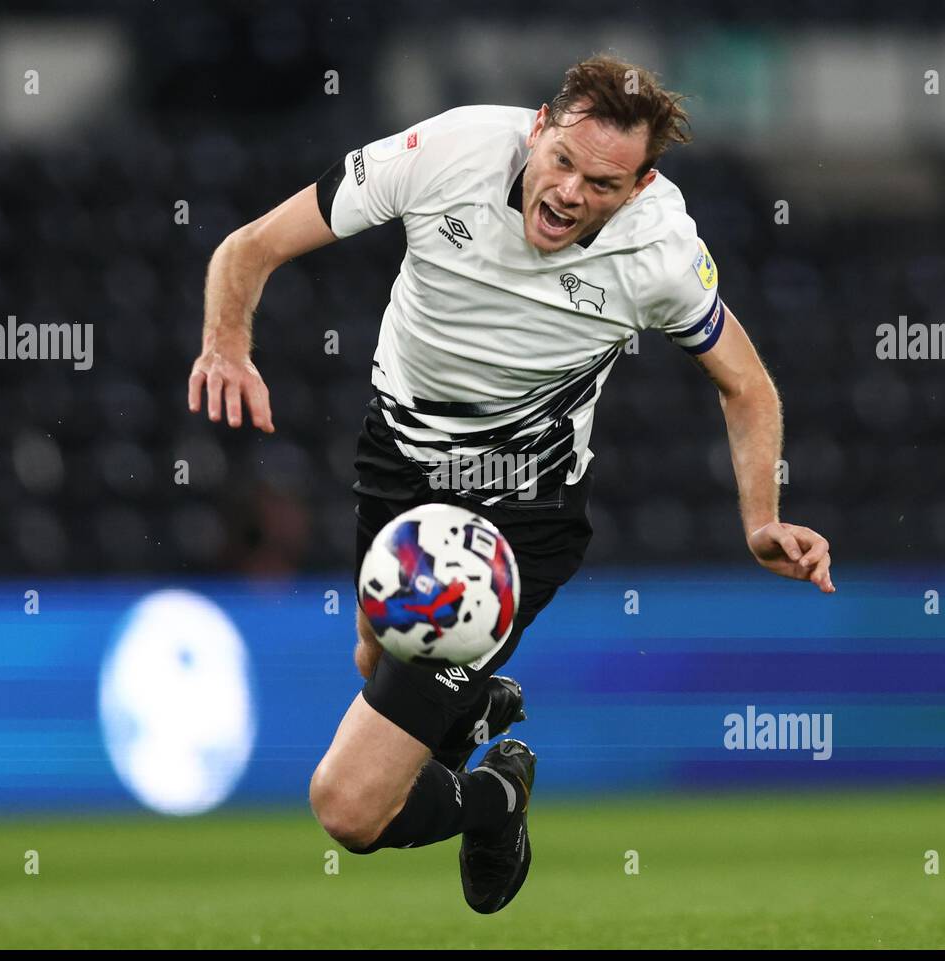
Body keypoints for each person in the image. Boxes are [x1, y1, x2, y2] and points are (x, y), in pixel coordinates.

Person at [188, 54, 835, 915]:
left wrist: (763, 519)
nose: (570, 193)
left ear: (641, 185)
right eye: (562, 161)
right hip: (400, 467)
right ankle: (492, 770)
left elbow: (746, 385)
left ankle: (488, 781)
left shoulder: (663, 255)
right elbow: (250, 247)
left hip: (519, 510)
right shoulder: (446, 152)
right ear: (537, 127)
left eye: (602, 182)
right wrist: (227, 345)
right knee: (373, 662)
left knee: (347, 808)